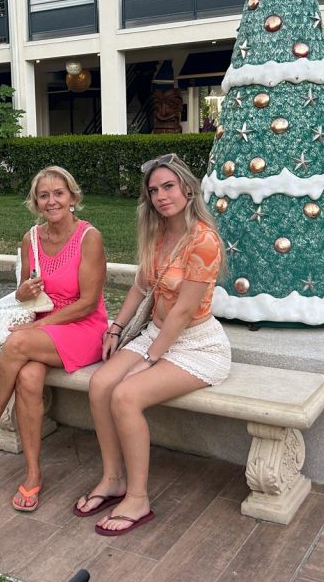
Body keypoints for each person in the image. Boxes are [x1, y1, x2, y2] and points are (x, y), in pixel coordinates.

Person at [74, 153, 229, 536]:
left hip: (196, 345)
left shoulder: (204, 240)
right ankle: (113, 479)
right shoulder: (158, 234)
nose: (161, 196)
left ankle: (138, 498)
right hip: (154, 334)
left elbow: (184, 311)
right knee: (100, 384)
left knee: (126, 395)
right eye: (154, 190)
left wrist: (150, 360)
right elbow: (142, 287)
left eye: (168, 186)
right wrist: (116, 328)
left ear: (188, 189)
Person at [0, 166, 108, 512]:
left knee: (16, 344)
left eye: (58, 193)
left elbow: (88, 303)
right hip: (42, 327)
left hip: (83, 326)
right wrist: (23, 292)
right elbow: (25, 294)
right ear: (35, 202)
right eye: (44, 195)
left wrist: (35, 330)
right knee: (28, 378)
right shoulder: (31, 239)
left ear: (72, 197)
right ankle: (32, 475)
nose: (52, 201)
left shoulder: (89, 237)